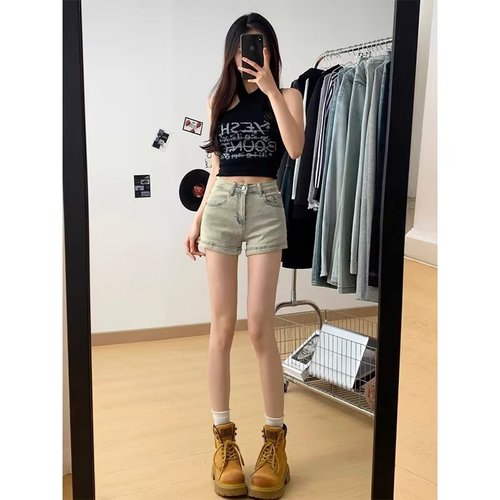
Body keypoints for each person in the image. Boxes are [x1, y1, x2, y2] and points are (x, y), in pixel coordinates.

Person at [184, 12, 304, 499]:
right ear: (232, 51)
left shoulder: (289, 95)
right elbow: (215, 167)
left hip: (266, 207)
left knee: (258, 327)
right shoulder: (218, 100)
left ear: (270, 50)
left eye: (259, 45)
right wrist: (196, 219)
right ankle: (224, 440)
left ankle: (275, 441)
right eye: (243, 46)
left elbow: (294, 149)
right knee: (220, 327)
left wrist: (271, 89)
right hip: (220, 208)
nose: (250, 54)